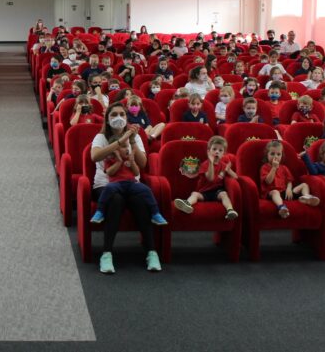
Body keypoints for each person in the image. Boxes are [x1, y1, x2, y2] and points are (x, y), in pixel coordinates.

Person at [88, 103, 161, 274]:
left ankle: (151, 251)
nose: (118, 118)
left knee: (140, 201)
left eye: (122, 114)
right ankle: (106, 253)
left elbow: (143, 164)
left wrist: (132, 140)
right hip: (106, 185)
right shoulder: (100, 137)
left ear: (127, 118)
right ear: (107, 119)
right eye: (114, 115)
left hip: (130, 183)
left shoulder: (134, 136)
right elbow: (95, 156)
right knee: (116, 201)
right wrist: (119, 142)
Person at [174, 136, 239, 221]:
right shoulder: (205, 164)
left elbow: (236, 177)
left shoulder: (223, 165)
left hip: (217, 192)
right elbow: (210, 178)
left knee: (224, 194)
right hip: (204, 192)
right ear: (209, 151)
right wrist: (211, 163)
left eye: (220, 150)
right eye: (214, 149)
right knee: (194, 194)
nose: (217, 152)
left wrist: (228, 170)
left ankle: (230, 210)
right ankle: (187, 204)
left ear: (224, 154)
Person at [260, 140, 320, 218]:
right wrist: (274, 168)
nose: (275, 156)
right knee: (275, 192)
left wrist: (289, 189)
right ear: (266, 155)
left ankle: (306, 197)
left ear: (282, 155)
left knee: (304, 185)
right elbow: (268, 181)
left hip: (285, 192)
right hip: (271, 193)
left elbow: (289, 181)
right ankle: (281, 207)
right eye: (272, 154)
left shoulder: (284, 168)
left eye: (278, 154)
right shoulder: (264, 167)